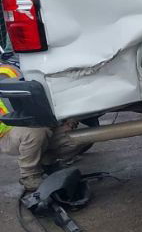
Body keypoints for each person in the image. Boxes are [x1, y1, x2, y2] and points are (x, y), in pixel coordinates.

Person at [0, 61, 87, 192]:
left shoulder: (8, 71)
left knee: (83, 136)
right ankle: (29, 175)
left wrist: (65, 120)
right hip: (7, 134)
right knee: (35, 132)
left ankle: (47, 161)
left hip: (34, 122)